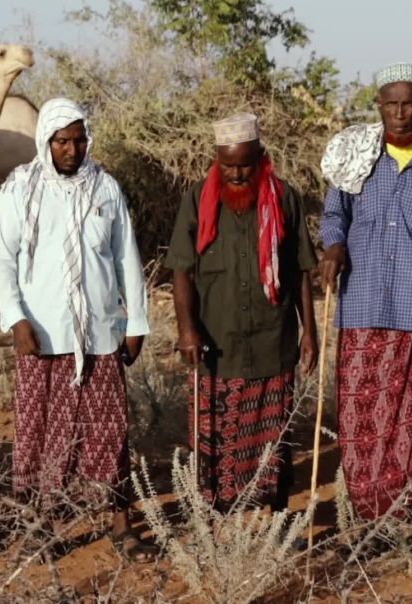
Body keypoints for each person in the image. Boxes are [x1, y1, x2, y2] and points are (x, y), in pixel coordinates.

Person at [0, 98, 157, 561]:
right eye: (62, 140)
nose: (72, 149)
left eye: (79, 139)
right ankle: (43, 527)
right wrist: (15, 318)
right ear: (46, 141)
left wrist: (136, 321)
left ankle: (122, 525)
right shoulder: (21, 189)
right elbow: (1, 262)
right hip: (42, 338)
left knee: (110, 433)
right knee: (44, 436)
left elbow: (126, 259)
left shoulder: (105, 188)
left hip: (100, 336)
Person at [319, 63, 412, 534]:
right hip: (361, 304)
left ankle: (410, 519)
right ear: (378, 106)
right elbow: (334, 215)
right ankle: (365, 521)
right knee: (360, 416)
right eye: (390, 104)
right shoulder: (355, 153)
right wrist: (334, 247)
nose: (399, 113)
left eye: (409, 103)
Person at [166, 112, 318, 512]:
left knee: (274, 437)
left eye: (245, 165)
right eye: (227, 165)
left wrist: (310, 333)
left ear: (261, 158)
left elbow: (301, 269)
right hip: (217, 342)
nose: (236, 174)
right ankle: (216, 519)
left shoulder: (284, 197)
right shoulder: (198, 198)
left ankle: (275, 513)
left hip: (273, 339)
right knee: (215, 439)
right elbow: (181, 269)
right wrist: (186, 330)